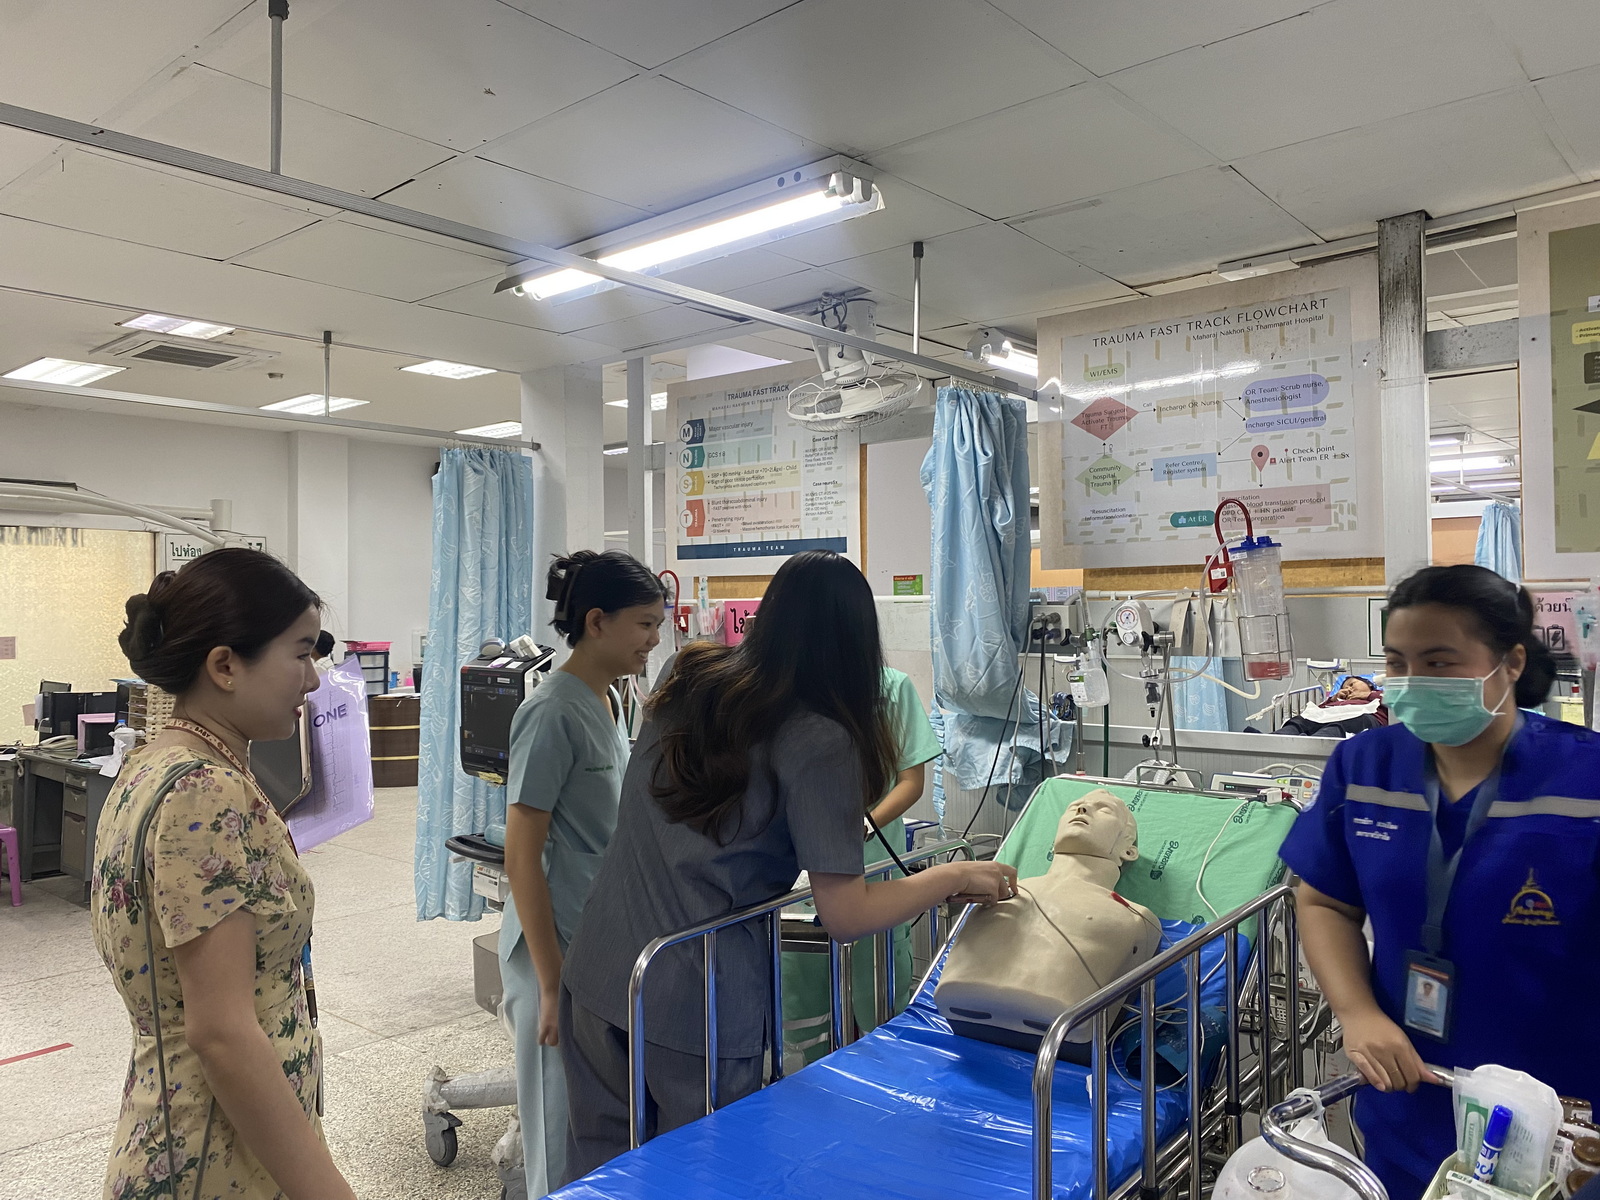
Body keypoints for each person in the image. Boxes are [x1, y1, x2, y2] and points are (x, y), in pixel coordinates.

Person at [557, 550, 1019, 1183]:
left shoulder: (690, 675)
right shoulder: (819, 739)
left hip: (601, 966)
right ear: (858, 643)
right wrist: (954, 875)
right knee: (703, 1177)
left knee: (600, 1178)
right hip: (694, 1000)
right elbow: (845, 913)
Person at [1281, 564, 1600, 1200]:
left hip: (1563, 1114)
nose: (1411, 681)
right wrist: (1356, 1013)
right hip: (1412, 1092)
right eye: (1396, 663)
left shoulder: (1585, 779)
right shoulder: (1365, 766)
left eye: (1439, 662)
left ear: (1510, 663)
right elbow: (1322, 901)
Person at [92, 548, 355, 1200]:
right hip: (215, 1153)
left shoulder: (156, 765)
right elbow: (222, 1033)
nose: (314, 680)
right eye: (300, 654)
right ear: (225, 666)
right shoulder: (203, 791)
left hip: (208, 1133)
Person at [499, 550, 667, 1194]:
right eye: (644, 625)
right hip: (551, 949)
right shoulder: (550, 712)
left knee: (596, 1121)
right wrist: (550, 985)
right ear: (597, 622)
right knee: (555, 1125)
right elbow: (522, 855)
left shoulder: (612, 699)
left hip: (593, 937)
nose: (654, 641)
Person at [781, 664, 942, 1064]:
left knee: (879, 1004)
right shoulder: (785, 687)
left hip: (872, 867)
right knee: (808, 1006)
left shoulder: (890, 688)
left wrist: (864, 826)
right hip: (799, 877)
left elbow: (911, 781)